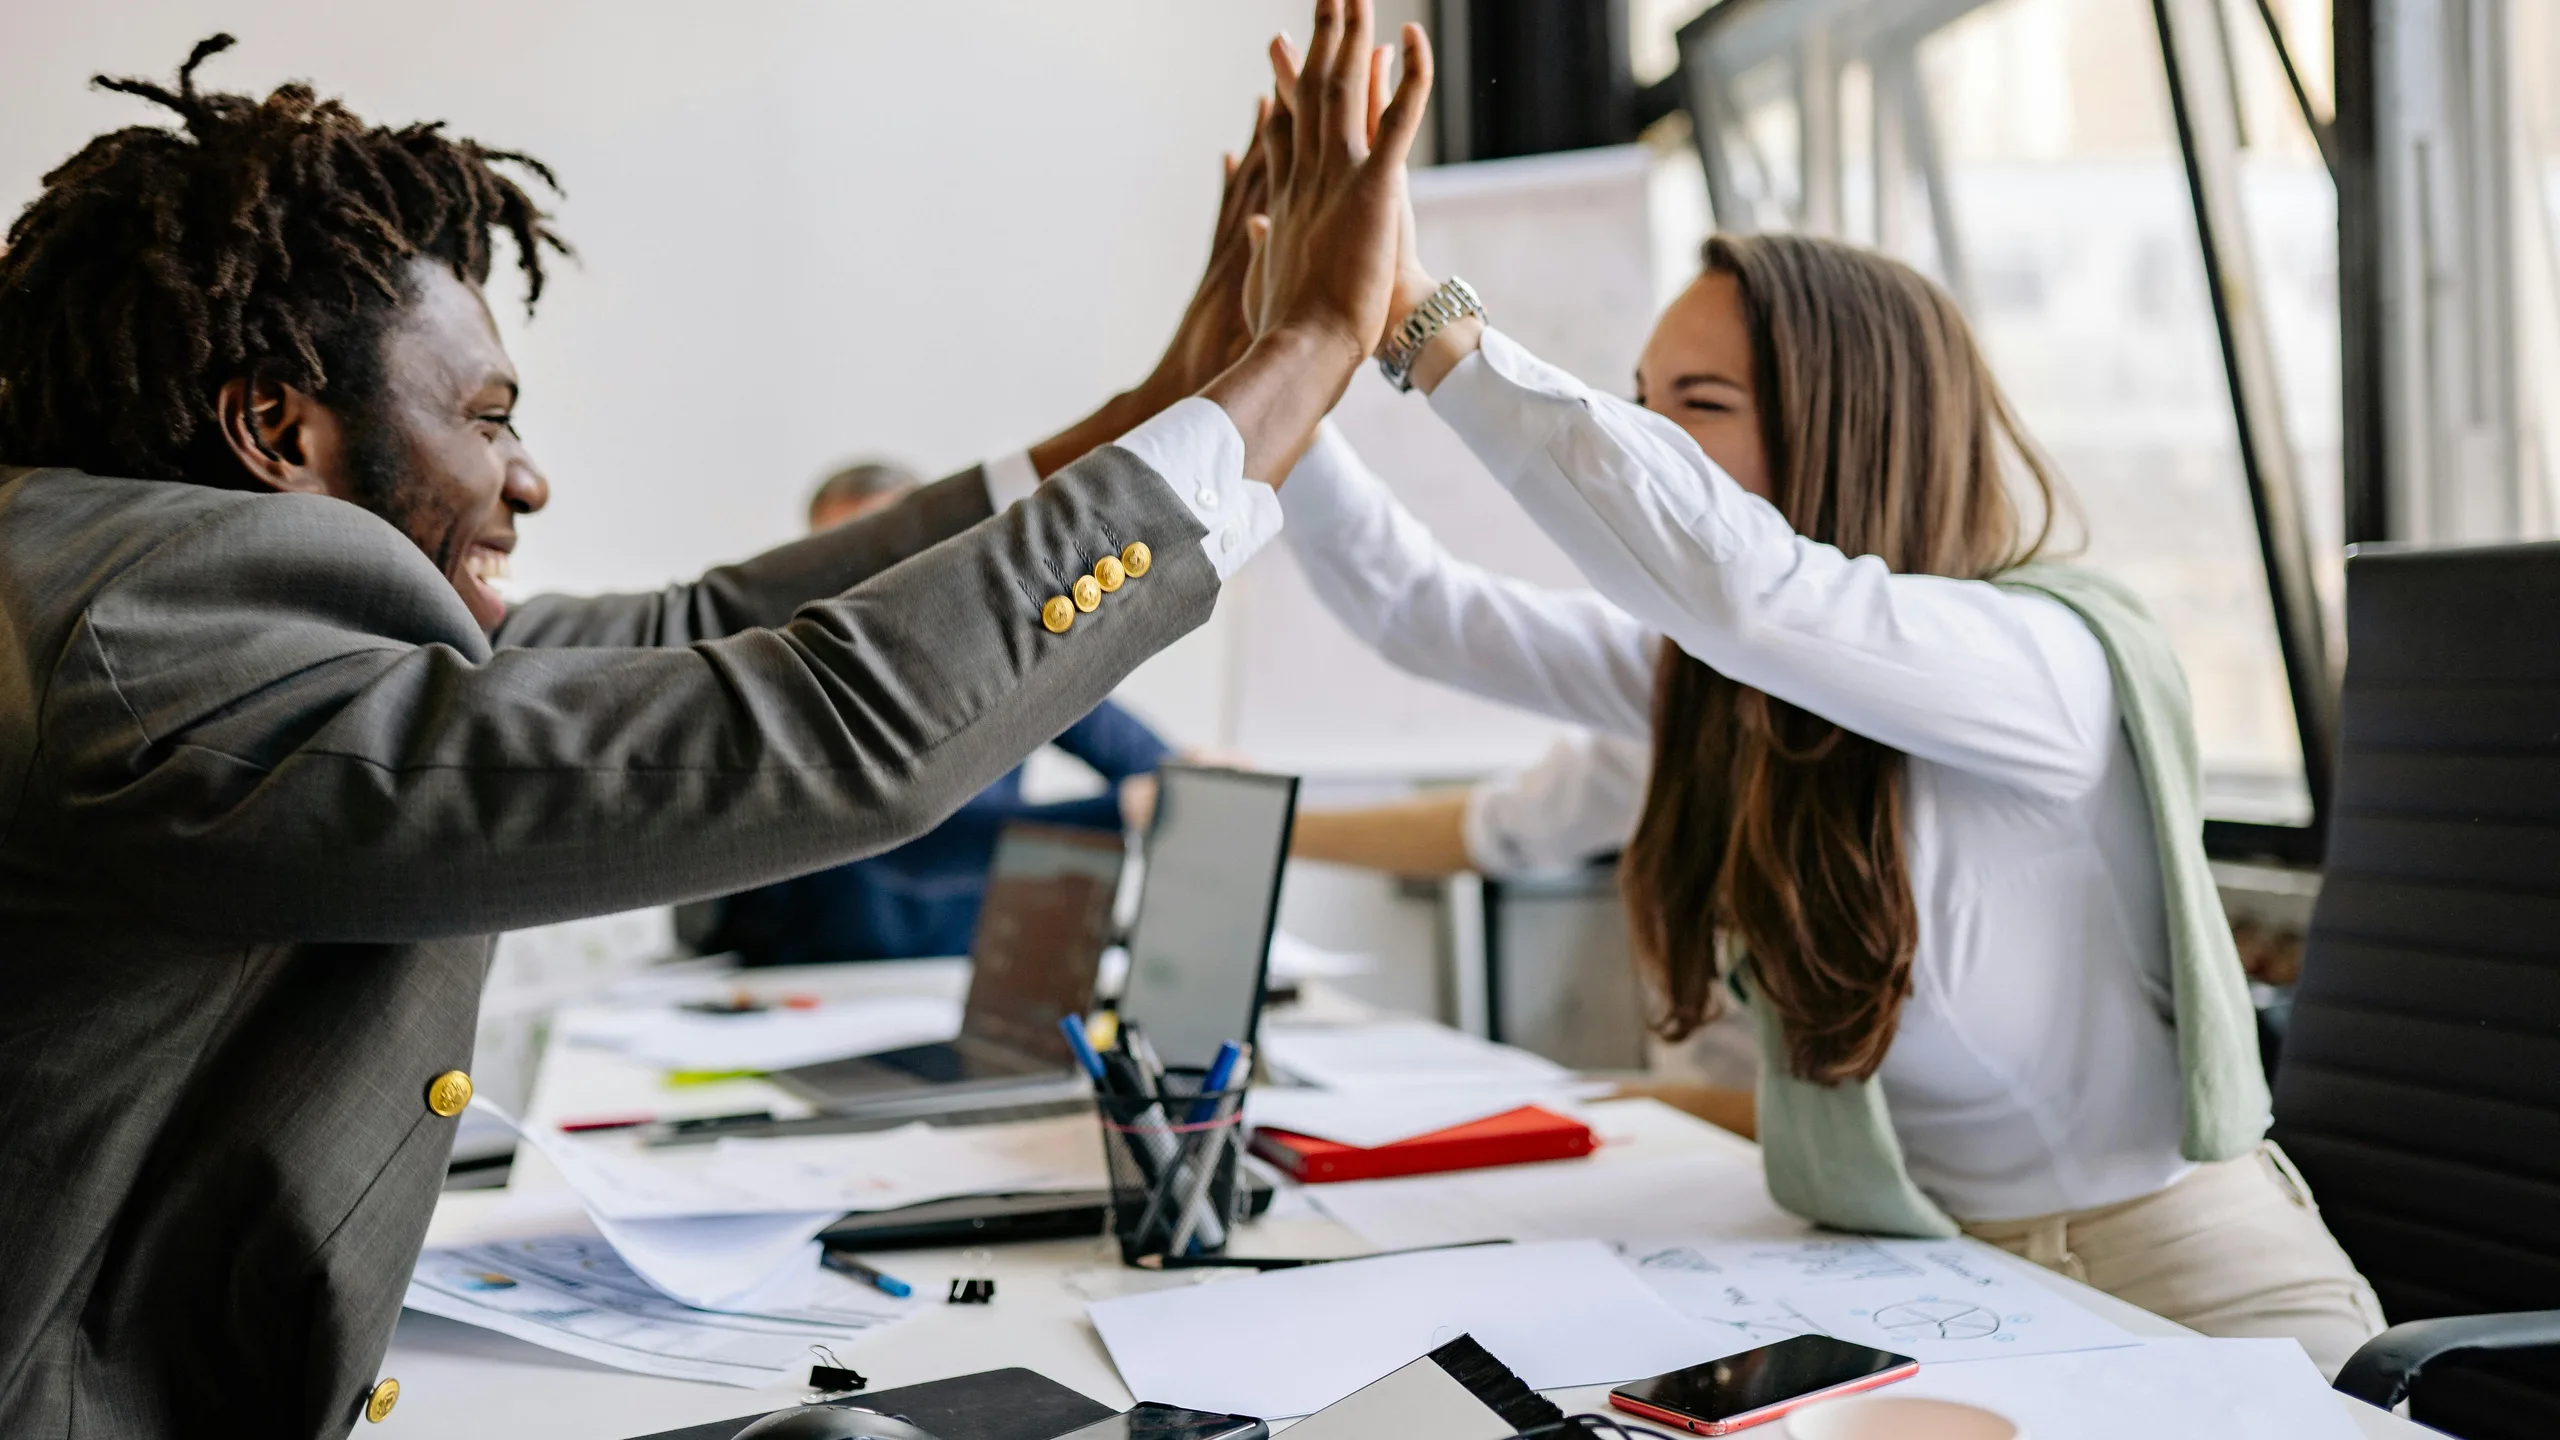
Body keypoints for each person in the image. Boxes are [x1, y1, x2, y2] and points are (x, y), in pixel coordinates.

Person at [0, 10, 1432, 1437]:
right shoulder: (152, 648)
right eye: (490, 418)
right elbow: (837, 730)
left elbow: (692, 631)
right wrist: (1305, 347)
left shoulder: (131, 583)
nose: (529, 479)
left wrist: (1159, 409)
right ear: (278, 432)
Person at [1274, 227, 2385, 1374]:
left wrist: (1420, 316)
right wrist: (1288, 364)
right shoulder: (1715, 683)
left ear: (1849, 428)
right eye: (1638, 403)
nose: (1651, 442)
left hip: (2187, 1274)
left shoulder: (2036, 659)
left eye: (1697, 404)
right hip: (1931, 1275)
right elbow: (1418, 612)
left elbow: (1745, 588)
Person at [707, 459, 1174, 964]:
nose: (865, 582)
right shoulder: (794, 680)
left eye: (884, 553)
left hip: (955, 971)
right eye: (837, 559)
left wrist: (1193, 782)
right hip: (811, 975)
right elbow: (915, 837)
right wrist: (1118, 811)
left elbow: (1145, 758)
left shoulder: (1003, 654)